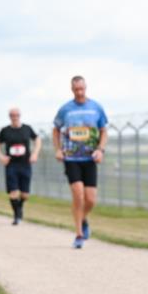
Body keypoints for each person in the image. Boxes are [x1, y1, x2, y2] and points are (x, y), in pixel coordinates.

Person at [53, 76, 108, 248]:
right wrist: (58, 149)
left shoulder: (96, 108)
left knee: (90, 199)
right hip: (71, 158)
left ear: (86, 87)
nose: (79, 92)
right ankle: (78, 235)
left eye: (81, 89)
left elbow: (103, 130)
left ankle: (83, 219)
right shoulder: (65, 110)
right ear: (72, 89)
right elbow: (56, 130)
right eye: (76, 89)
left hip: (90, 158)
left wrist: (100, 149)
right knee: (78, 195)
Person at [0, 108, 40, 225]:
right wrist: (0, 156)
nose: (15, 117)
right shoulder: (5, 130)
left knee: (25, 194)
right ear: (9, 116)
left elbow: (37, 139)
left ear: (20, 116)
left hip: (25, 164)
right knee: (13, 191)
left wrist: (35, 154)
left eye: (17, 115)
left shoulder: (27, 129)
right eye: (12, 115)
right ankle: (17, 216)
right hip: (11, 164)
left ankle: (20, 207)